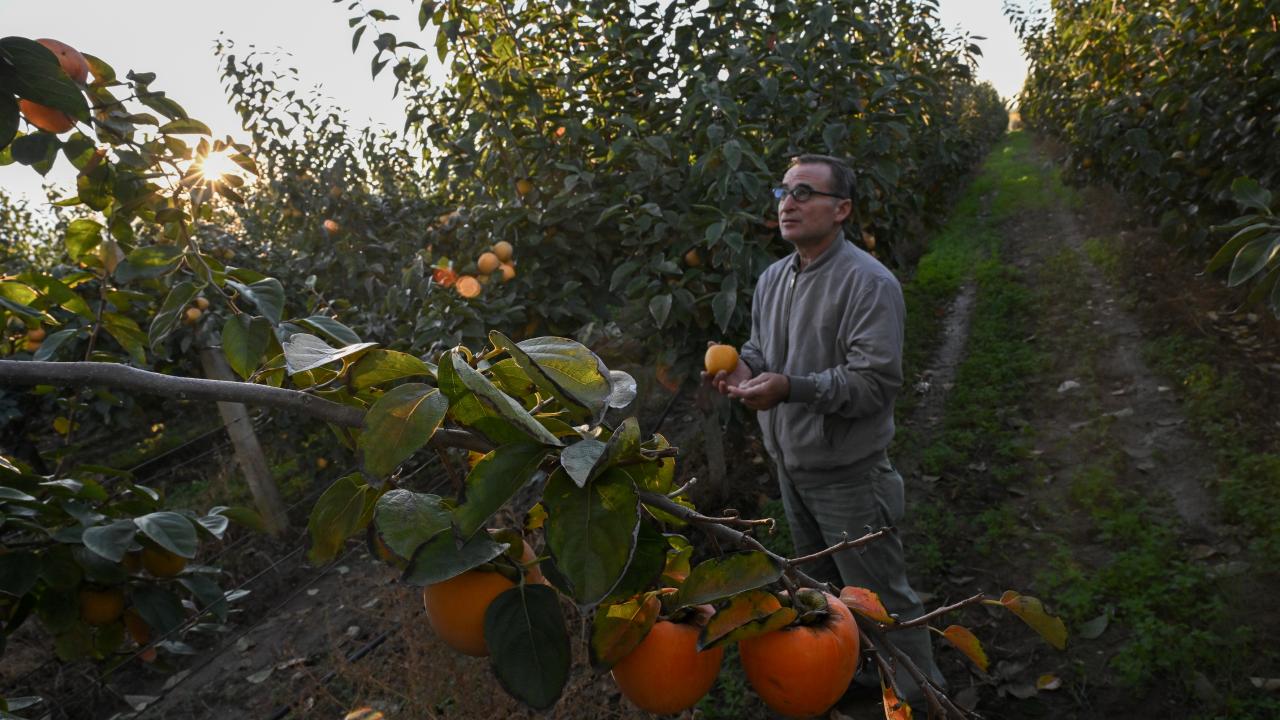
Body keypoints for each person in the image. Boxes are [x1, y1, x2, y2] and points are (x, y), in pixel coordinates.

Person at [706, 154, 945, 705]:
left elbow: (873, 385)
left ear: (842, 210)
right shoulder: (773, 278)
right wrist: (742, 370)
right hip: (791, 468)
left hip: (849, 476)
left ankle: (920, 697)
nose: (788, 203)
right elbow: (760, 352)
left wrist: (791, 388)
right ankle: (861, 675)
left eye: (805, 193)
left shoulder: (869, 283)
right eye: (783, 192)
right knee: (829, 592)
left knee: (884, 601)